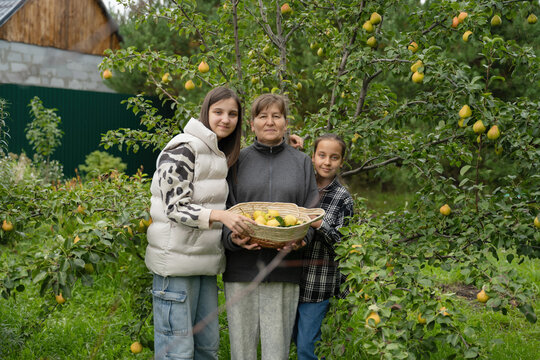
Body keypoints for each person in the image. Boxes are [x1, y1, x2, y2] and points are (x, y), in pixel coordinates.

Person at [145, 86, 255, 360]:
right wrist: (222, 216)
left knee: (207, 349)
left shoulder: (216, 153)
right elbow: (174, 207)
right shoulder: (184, 147)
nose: (225, 120)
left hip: (204, 265)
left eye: (232, 114)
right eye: (218, 112)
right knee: (177, 353)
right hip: (175, 268)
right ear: (206, 112)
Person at [222, 93, 319, 360]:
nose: (270, 122)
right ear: (251, 124)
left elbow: (310, 212)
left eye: (276, 116)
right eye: (262, 116)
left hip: (284, 269)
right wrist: (231, 239)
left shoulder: (301, 163)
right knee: (241, 352)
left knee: (276, 353)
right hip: (241, 269)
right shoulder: (235, 161)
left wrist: (303, 239)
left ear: (286, 123)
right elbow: (222, 210)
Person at [293, 134, 355, 360]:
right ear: (312, 157)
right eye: (322, 155)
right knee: (292, 338)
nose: (327, 162)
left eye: (334, 157)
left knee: (307, 347)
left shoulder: (342, 198)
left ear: (341, 161)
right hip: (291, 279)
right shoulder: (301, 187)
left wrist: (320, 224)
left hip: (319, 284)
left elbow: (344, 244)